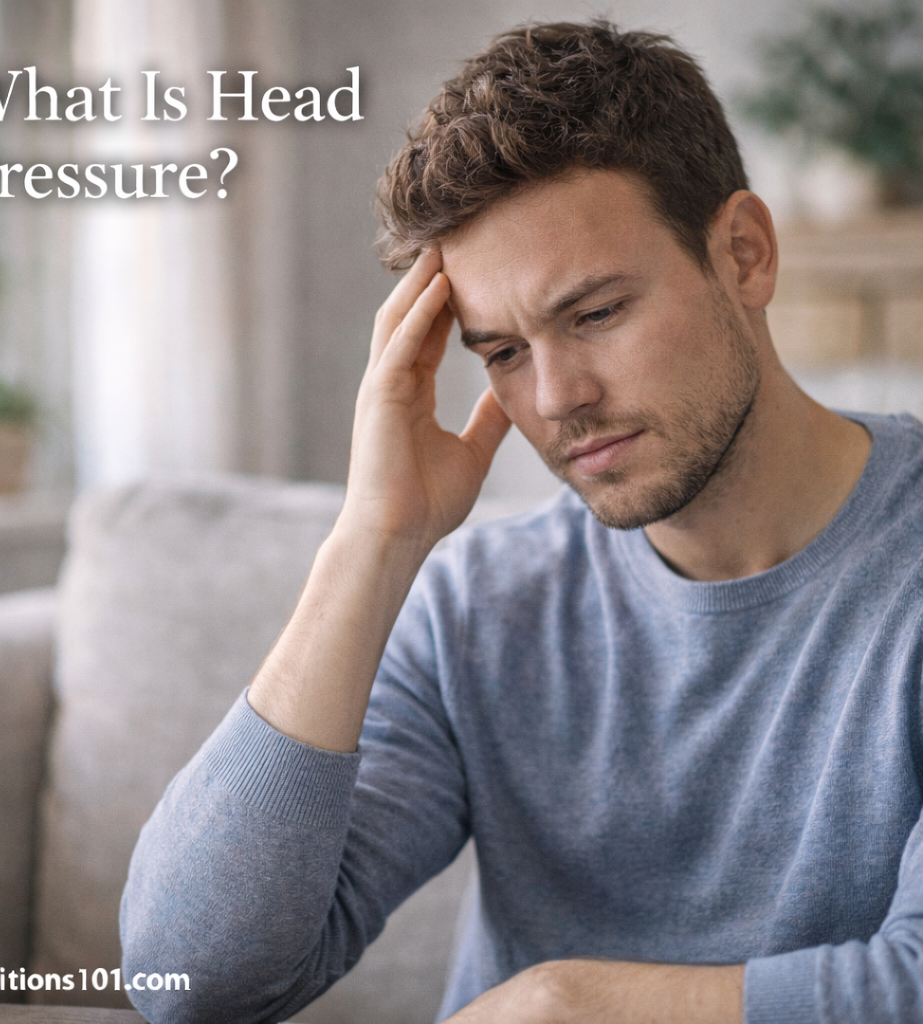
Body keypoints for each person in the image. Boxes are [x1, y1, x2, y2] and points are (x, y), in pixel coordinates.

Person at [120, 21, 923, 1024]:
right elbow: (190, 979)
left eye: (593, 313)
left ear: (744, 254)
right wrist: (374, 539)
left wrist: (561, 1002)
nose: (556, 398)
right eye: (500, 350)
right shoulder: (479, 605)